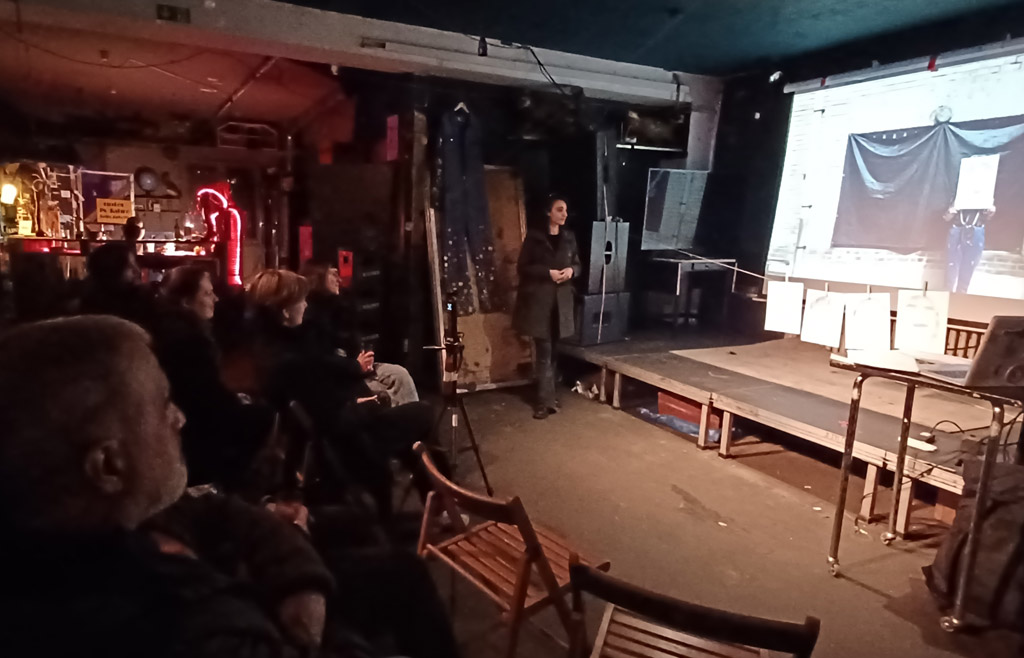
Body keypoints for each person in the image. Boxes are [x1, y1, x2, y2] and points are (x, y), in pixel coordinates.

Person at [0, 316, 370, 658]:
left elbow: (215, 510)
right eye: (163, 404)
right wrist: (308, 600)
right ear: (109, 465)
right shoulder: (184, 626)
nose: (180, 418)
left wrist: (296, 571)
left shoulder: (85, 528)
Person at [247, 269, 450, 519]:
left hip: (339, 435)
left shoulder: (278, 346)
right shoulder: (292, 360)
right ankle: (443, 501)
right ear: (286, 311)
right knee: (424, 414)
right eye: (301, 300)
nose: (306, 305)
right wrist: (368, 403)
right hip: (349, 444)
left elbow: (329, 371)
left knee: (412, 435)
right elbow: (331, 416)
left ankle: (436, 502)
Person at [155, 264, 275, 490]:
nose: (216, 299)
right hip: (194, 434)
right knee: (264, 416)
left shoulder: (172, 331)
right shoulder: (189, 342)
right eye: (207, 293)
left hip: (184, 423)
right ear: (186, 302)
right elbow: (207, 400)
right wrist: (239, 404)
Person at [302, 261, 420, 406]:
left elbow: (349, 344)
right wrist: (356, 365)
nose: (339, 280)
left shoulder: (339, 307)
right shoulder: (310, 317)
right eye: (333, 274)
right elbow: (322, 361)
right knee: (391, 390)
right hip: (341, 375)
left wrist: (363, 359)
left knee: (399, 374)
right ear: (318, 278)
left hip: (353, 367)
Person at [512, 195, 581, 419]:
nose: (564, 214)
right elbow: (523, 267)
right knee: (544, 352)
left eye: (566, 210)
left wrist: (571, 271)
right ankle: (544, 402)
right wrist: (547, 273)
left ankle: (548, 395)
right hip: (540, 304)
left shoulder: (569, 237)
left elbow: (577, 264)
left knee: (553, 354)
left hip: (561, 304)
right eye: (559, 209)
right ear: (548, 212)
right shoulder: (535, 238)